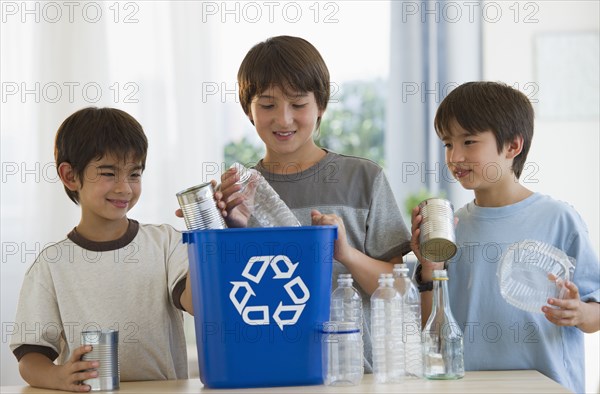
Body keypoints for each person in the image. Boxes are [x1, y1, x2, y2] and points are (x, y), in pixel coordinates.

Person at [214, 35, 412, 373]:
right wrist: (228, 230)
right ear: (249, 110)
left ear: (320, 105)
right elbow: (227, 301)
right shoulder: (240, 196)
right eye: (267, 105)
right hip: (268, 371)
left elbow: (400, 290)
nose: (284, 119)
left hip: (356, 376)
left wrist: (347, 254)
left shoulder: (364, 179)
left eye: (298, 103)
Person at [410, 81, 599, 393]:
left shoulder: (559, 219)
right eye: (447, 144)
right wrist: (429, 269)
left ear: (513, 146)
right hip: (468, 386)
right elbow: (435, 333)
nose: (455, 156)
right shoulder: (453, 227)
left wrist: (579, 313)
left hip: (548, 386)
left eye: (469, 141)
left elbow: (596, 312)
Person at [10, 107, 193, 392]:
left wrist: (210, 238)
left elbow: (199, 304)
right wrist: (59, 376)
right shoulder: (52, 264)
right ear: (70, 176)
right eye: (108, 173)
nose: (124, 188)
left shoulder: (166, 243)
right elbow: (30, 357)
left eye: (134, 174)